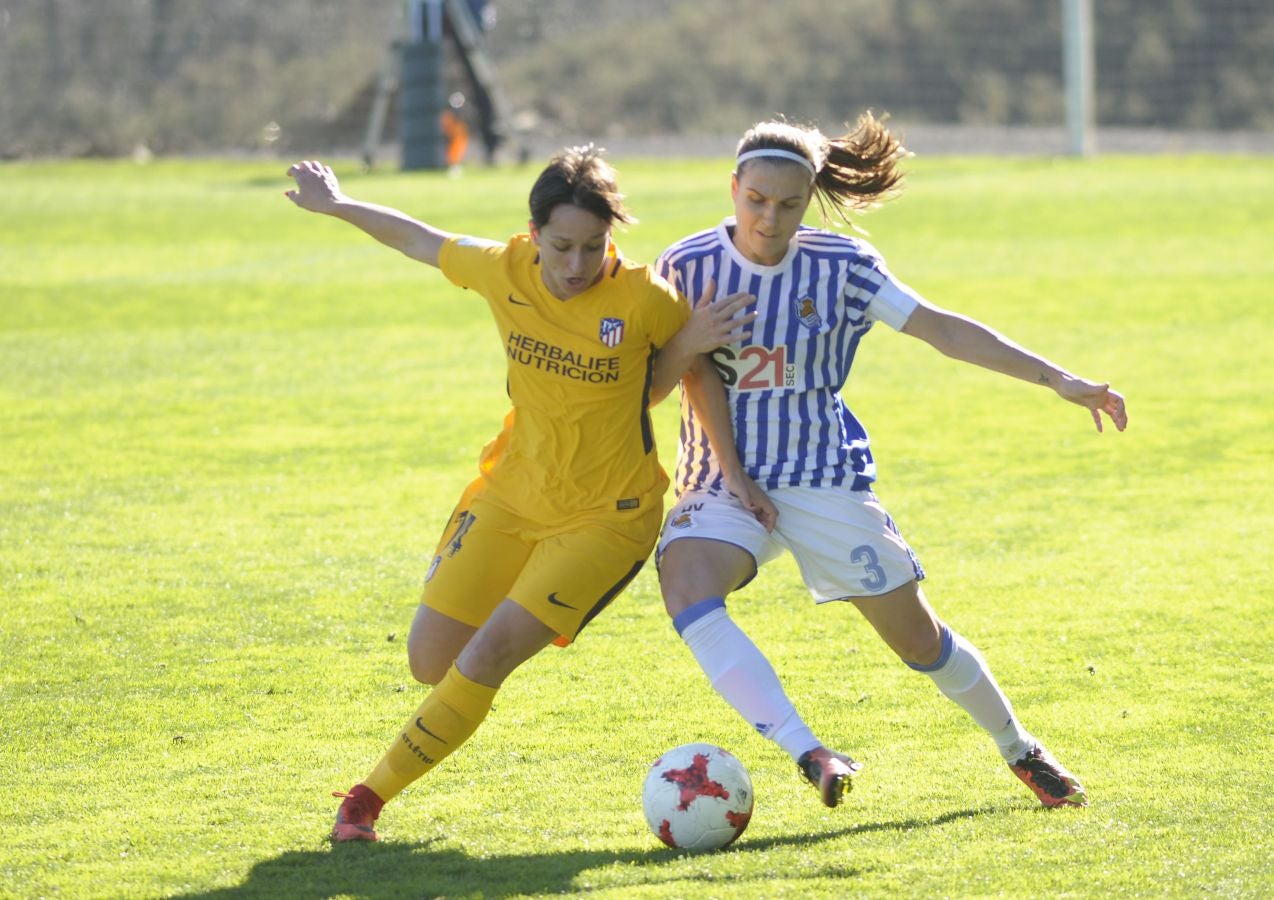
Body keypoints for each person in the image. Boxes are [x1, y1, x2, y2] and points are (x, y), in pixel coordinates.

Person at [284, 147, 767, 841]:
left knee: (486, 657)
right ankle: (463, 692)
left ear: (612, 237)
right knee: (430, 661)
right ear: (533, 233)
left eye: (593, 247)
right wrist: (338, 205)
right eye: (562, 246)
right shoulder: (502, 269)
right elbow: (418, 238)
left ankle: (365, 800)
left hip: (609, 516)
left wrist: (731, 464)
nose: (577, 265)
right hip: (511, 492)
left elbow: (681, 383)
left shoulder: (644, 298)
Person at [654, 112, 1128, 811]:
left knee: (919, 642)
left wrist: (1055, 377)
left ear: (811, 195)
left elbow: (940, 328)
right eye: (755, 200)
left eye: (788, 204)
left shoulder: (842, 268)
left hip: (821, 477)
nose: (769, 218)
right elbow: (663, 383)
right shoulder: (686, 265)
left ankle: (1019, 747)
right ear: (732, 188)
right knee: (686, 584)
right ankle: (806, 748)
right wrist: (689, 340)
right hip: (721, 482)